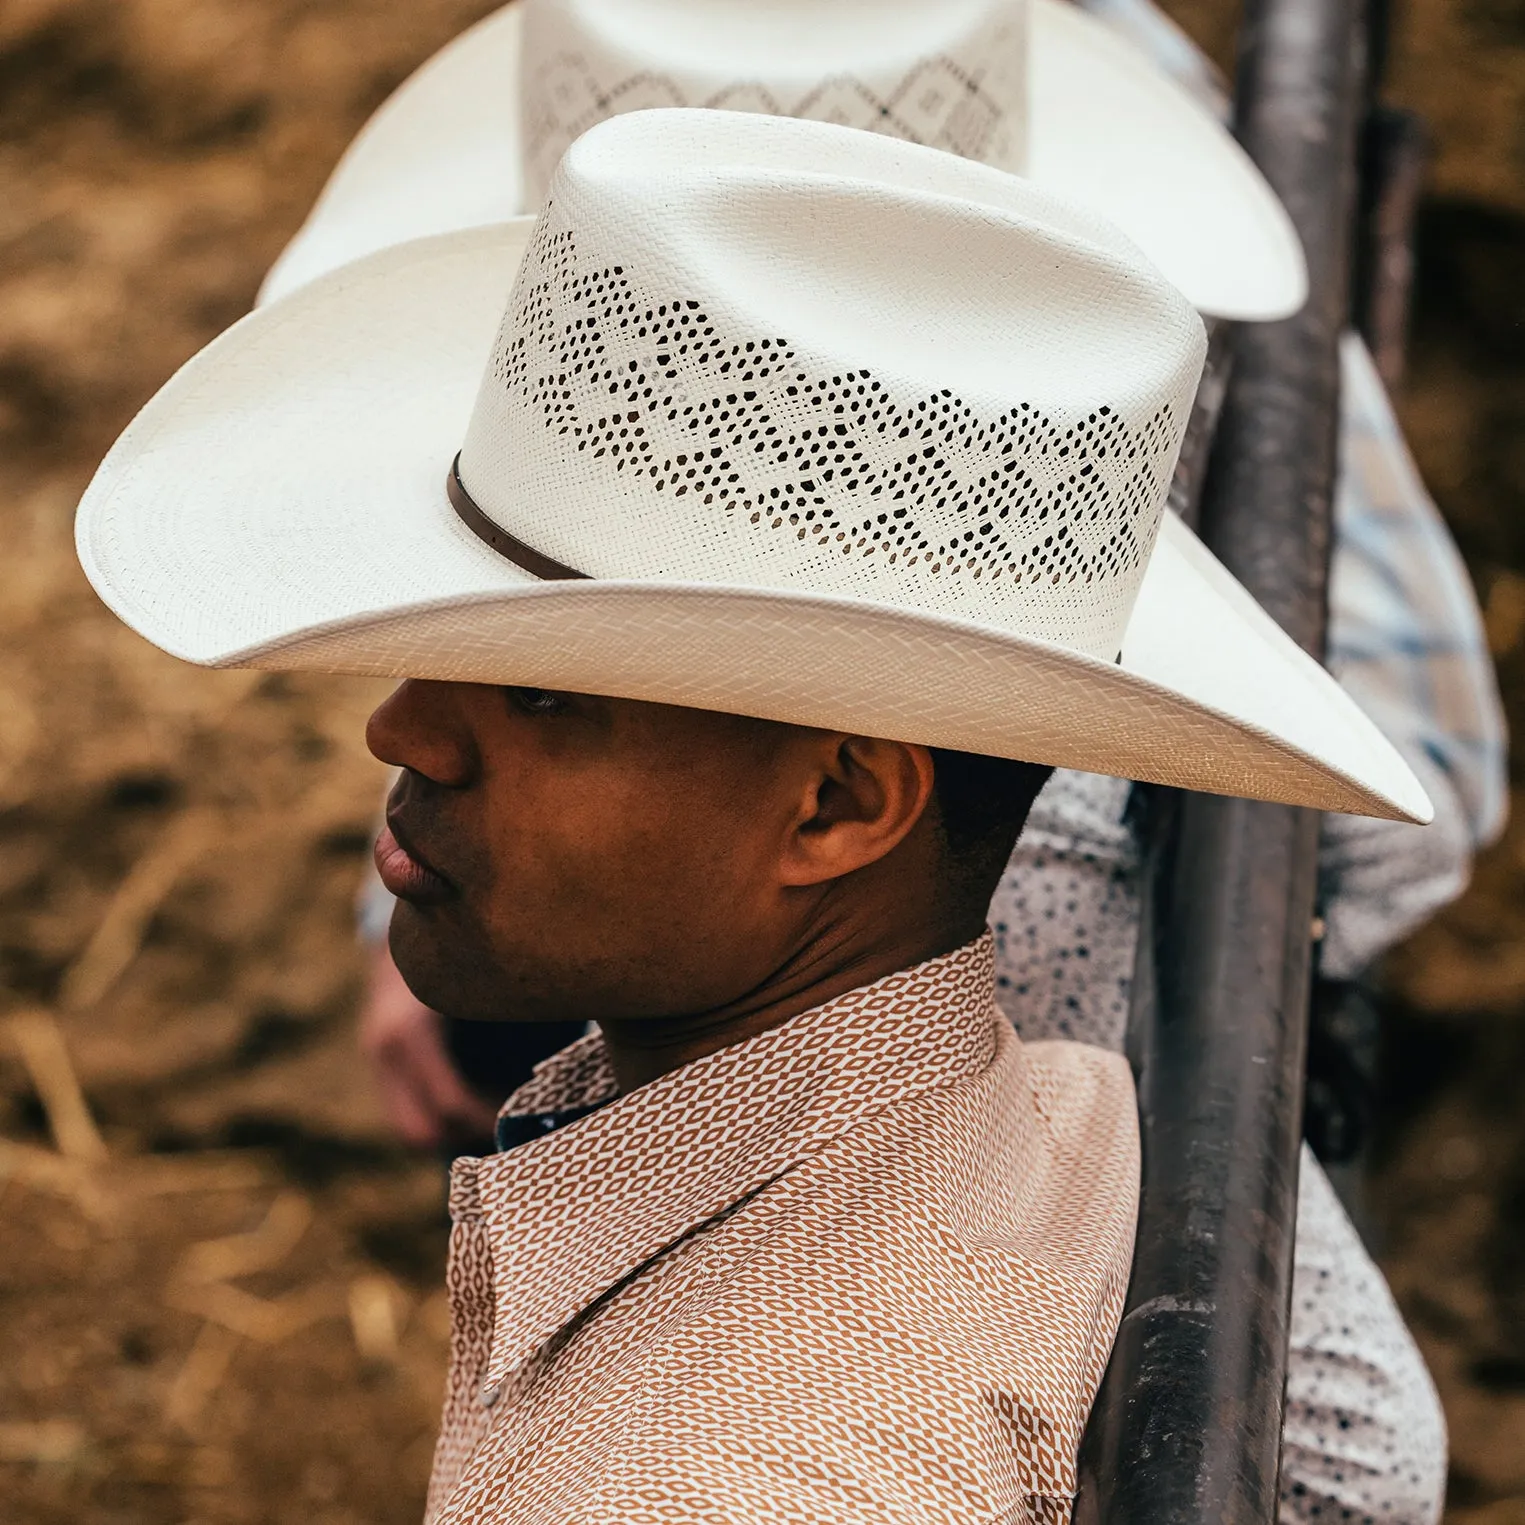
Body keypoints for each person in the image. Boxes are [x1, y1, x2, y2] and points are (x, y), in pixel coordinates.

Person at [77, 110, 1430, 1522]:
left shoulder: (718, 1478)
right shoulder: (1064, 1104)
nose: (396, 727)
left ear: (840, 802)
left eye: (544, 700)